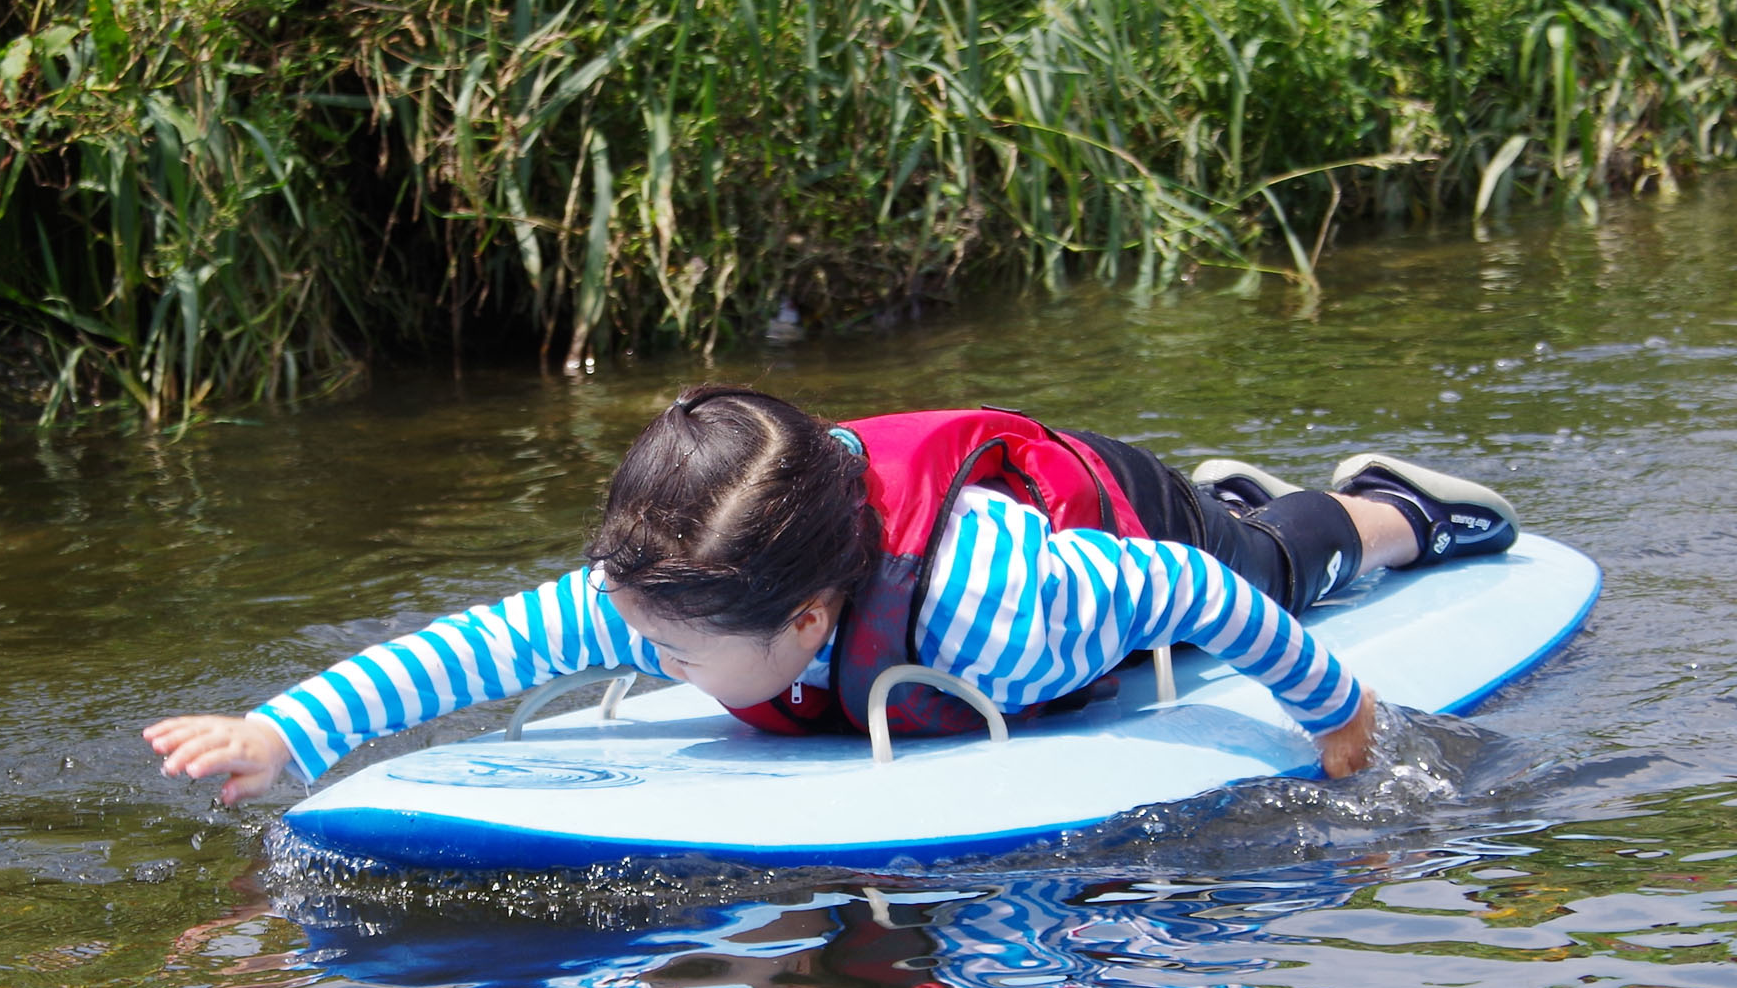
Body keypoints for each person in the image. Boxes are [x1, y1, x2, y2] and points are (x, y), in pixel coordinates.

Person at [147, 388, 1518, 802]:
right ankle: (1256, 495)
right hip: (869, 532)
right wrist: (285, 736)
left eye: (679, 658)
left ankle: (1398, 505)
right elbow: (478, 650)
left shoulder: (1000, 612)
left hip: (1118, 524)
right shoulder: (680, 585)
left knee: (1267, 561)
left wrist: (1342, 724)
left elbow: (1190, 603)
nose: (646, 661)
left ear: (809, 625)